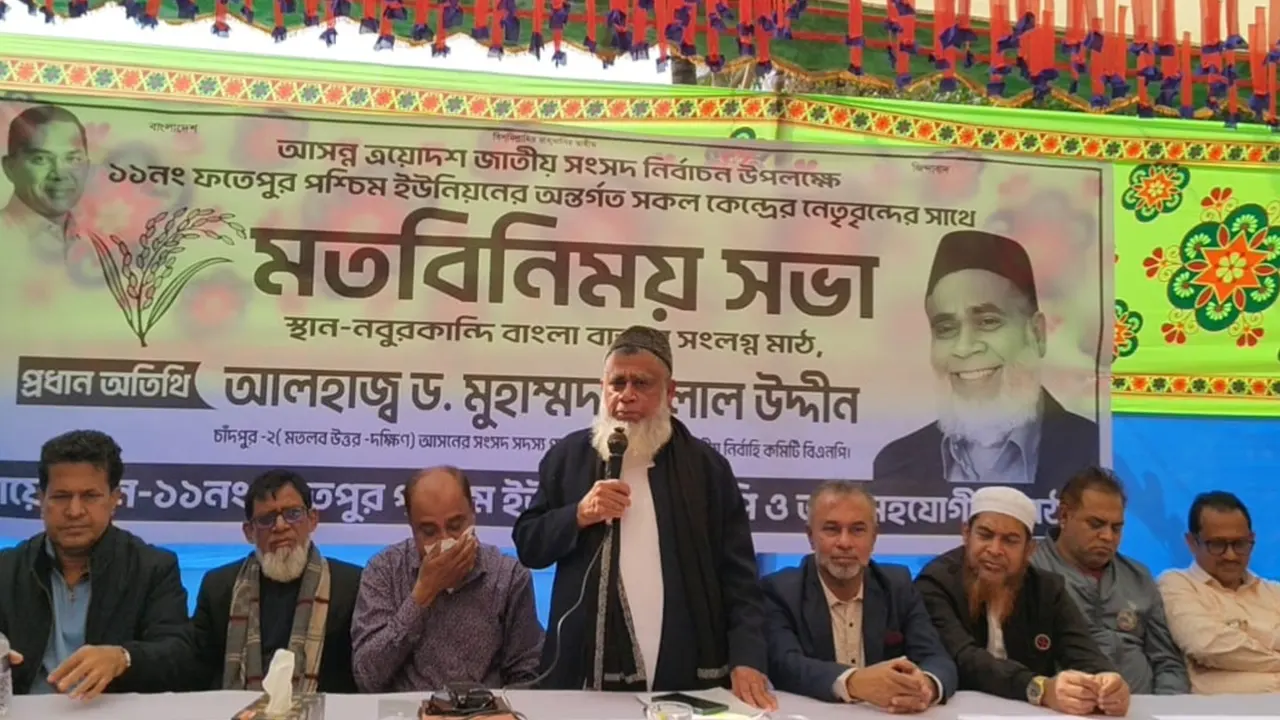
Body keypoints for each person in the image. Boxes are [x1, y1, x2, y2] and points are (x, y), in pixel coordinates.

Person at [512, 325, 775, 709]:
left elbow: (739, 577)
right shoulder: (568, 457)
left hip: (687, 663)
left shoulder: (706, 469)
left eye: (642, 383)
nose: (627, 395)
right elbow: (528, 545)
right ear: (602, 388)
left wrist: (747, 657)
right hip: (588, 670)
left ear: (670, 392)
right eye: (617, 383)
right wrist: (578, 514)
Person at [872, 230, 1099, 498]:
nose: (964, 347)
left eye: (988, 322)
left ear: (1036, 333)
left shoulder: (1095, 452)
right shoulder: (897, 464)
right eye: (946, 328)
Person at [0, 430, 192, 698]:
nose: (74, 511)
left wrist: (123, 658)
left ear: (114, 499)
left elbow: (178, 655)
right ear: (41, 499)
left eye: (90, 496)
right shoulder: (7, 569)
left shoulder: (152, 567)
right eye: (61, 496)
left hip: (111, 711)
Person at [915, 486, 1128, 716]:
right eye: (985, 535)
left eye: (1010, 541)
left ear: (1029, 549)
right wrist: (1040, 689)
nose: (995, 550)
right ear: (966, 534)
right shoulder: (936, 583)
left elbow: (1084, 653)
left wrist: (1108, 682)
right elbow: (965, 659)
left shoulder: (1047, 590)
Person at [761, 481, 957, 710]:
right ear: (810, 536)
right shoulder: (781, 591)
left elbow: (938, 659)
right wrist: (854, 682)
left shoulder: (897, 586)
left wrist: (925, 687)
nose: (845, 543)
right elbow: (785, 665)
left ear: (874, 537)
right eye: (832, 529)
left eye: (857, 530)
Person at [352, 466, 543, 691]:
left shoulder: (508, 576)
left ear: (473, 513)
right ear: (411, 525)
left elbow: (526, 676)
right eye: (429, 531)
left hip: (483, 708)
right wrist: (422, 595)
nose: (445, 541)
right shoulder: (384, 571)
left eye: (455, 526)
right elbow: (367, 677)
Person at [190, 469, 362, 693]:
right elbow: (196, 671)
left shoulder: (351, 585)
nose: (280, 526)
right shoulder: (219, 587)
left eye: (293, 513)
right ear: (249, 531)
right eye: (266, 519)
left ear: (312, 519)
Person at [1031, 467, 1189, 694]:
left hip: (1143, 705)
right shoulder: (1030, 572)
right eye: (1096, 524)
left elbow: (1168, 662)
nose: (1107, 536)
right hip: (1064, 705)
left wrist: (1166, 705)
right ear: (1064, 516)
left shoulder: (1138, 576)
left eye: (1116, 528)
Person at [1157, 491, 1280, 694]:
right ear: (1191, 542)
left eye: (1239, 544)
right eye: (1217, 544)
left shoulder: (1275, 593)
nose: (1230, 555)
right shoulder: (1176, 584)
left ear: (1252, 540)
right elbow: (1206, 646)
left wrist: (1241, 629)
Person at [1, 104, 89, 258]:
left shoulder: (102, 247)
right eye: (41, 159)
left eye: (73, 159)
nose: (60, 173)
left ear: (87, 165)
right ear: (10, 168)